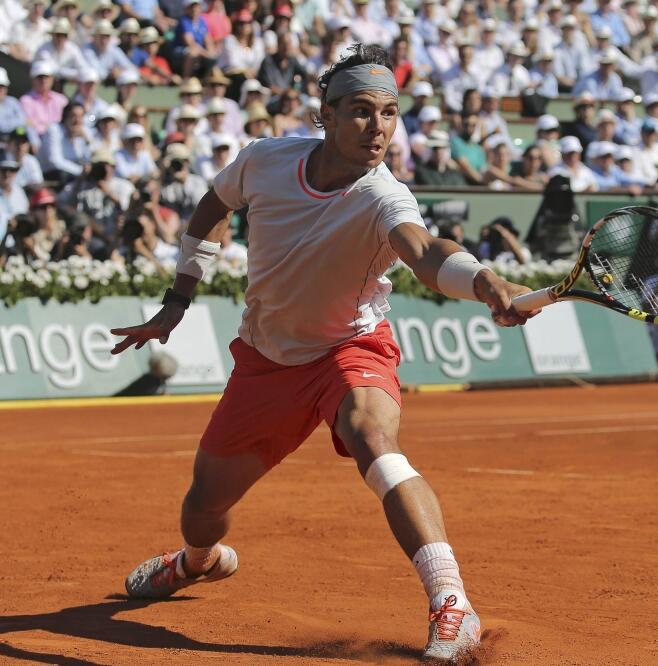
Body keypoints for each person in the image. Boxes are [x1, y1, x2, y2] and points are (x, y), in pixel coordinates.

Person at [110, 44, 534, 663]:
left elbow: (424, 251)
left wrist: (482, 280)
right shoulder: (265, 161)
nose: (379, 128)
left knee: (372, 438)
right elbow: (211, 209)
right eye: (362, 112)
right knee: (203, 508)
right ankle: (195, 562)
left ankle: (452, 604)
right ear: (326, 115)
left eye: (389, 113)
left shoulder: (384, 195)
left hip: (350, 347)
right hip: (267, 362)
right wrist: (178, 299)